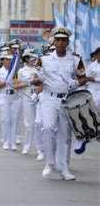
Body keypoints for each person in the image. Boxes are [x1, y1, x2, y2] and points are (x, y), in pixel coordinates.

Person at [33, 27, 87, 180]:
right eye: (58, 40)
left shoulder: (76, 59)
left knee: (65, 134)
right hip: (49, 98)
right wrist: (36, 80)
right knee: (48, 128)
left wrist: (75, 83)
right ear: (54, 42)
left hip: (67, 99)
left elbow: (83, 78)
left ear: (67, 42)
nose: (60, 43)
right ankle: (49, 163)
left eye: (63, 40)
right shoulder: (43, 59)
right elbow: (36, 78)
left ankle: (63, 168)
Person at [14, 49, 42, 156]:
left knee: (39, 123)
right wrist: (29, 82)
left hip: (39, 96)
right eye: (31, 57)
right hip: (27, 97)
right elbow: (16, 85)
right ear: (26, 58)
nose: (33, 59)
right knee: (29, 124)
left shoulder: (39, 69)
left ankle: (40, 148)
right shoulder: (21, 71)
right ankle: (27, 146)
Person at [0, 51, 20, 150]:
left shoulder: (15, 72)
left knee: (14, 120)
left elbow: (18, 83)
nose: (9, 61)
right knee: (6, 119)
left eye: (10, 60)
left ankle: (12, 142)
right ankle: (5, 141)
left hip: (14, 96)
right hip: (4, 96)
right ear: (2, 61)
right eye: (7, 59)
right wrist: (6, 81)